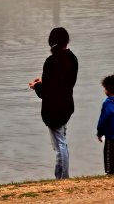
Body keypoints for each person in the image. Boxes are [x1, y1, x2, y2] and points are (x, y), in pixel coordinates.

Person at [29, 26, 79, 179]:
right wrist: (44, 81)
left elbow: (47, 92)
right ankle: (61, 175)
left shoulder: (51, 62)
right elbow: (65, 82)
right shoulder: (72, 59)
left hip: (54, 109)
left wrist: (37, 85)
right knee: (62, 141)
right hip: (66, 105)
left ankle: (63, 177)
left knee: (59, 145)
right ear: (66, 41)